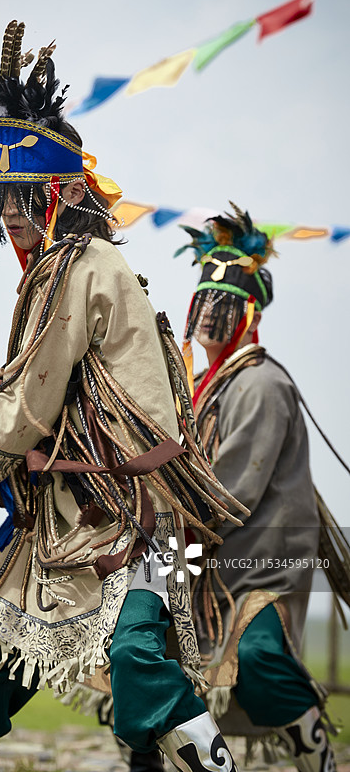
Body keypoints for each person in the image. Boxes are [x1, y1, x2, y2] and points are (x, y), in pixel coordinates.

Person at [0, 21, 247, 772]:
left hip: (119, 521)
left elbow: (28, 414)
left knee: (140, 673)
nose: (10, 214)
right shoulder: (62, 269)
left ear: (65, 192)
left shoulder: (79, 265)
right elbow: (28, 398)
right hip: (62, 527)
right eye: (4, 199)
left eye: (25, 197)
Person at [177, 204, 337, 772]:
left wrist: (175, 523)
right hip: (204, 564)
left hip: (259, 566)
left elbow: (230, 489)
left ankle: (315, 755)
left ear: (249, 314)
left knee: (259, 659)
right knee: (142, 662)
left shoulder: (263, 385)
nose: (210, 316)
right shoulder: (197, 388)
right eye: (204, 303)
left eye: (225, 305)